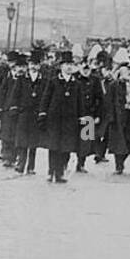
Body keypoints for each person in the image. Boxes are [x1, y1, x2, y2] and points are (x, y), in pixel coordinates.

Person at [38, 50, 84, 184]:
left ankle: (60, 172)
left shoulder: (77, 84)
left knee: (66, 148)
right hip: (54, 120)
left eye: (71, 64)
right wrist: (43, 114)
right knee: (54, 147)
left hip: (70, 121)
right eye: (66, 64)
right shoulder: (53, 82)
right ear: (61, 66)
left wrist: (82, 117)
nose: (69, 67)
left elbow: (80, 103)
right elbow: (45, 99)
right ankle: (51, 171)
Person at [102, 55, 130, 173]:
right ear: (120, 73)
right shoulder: (114, 85)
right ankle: (119, 164)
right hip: (119, 116)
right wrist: (111, 117)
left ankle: (122, 161)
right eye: (127, 70)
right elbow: (108, 102)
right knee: (119, 142)